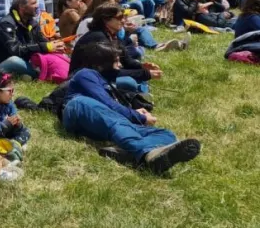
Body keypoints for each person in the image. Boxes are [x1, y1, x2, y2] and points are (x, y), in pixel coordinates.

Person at [63, 41, 201, 173]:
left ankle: (128, 154)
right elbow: (107, 103)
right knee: (113, 119)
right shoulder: (85, 74)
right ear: (101, 65)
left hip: (104, 121)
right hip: (78, 109)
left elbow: (112, 107)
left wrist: (133, 112)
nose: (120, 65)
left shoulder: (104, 80)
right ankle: (146, 153)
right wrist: (139, 117)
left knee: (167, 135)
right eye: (116, 61)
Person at [70, 3, 157, 92]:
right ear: (105, 19)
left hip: (100, 76)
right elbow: (109, 73)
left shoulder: (111, 35)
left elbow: (126, 61)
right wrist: (144, 73)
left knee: (137, 73)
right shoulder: (98, 38)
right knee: (129, 82)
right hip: (83, 81)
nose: (123, 21)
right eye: (119, 18)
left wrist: (142, 66)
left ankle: (139, 94)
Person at [0, 0, 64, 77]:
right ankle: (40, 75)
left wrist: (55, 46)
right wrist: (45, 46)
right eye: (33, 3)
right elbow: (16, 50)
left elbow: (42, 42)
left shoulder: (32, 23)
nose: (37, 5)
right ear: (21, 7)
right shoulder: (6, 24)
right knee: (14, 60)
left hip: (25, 62)